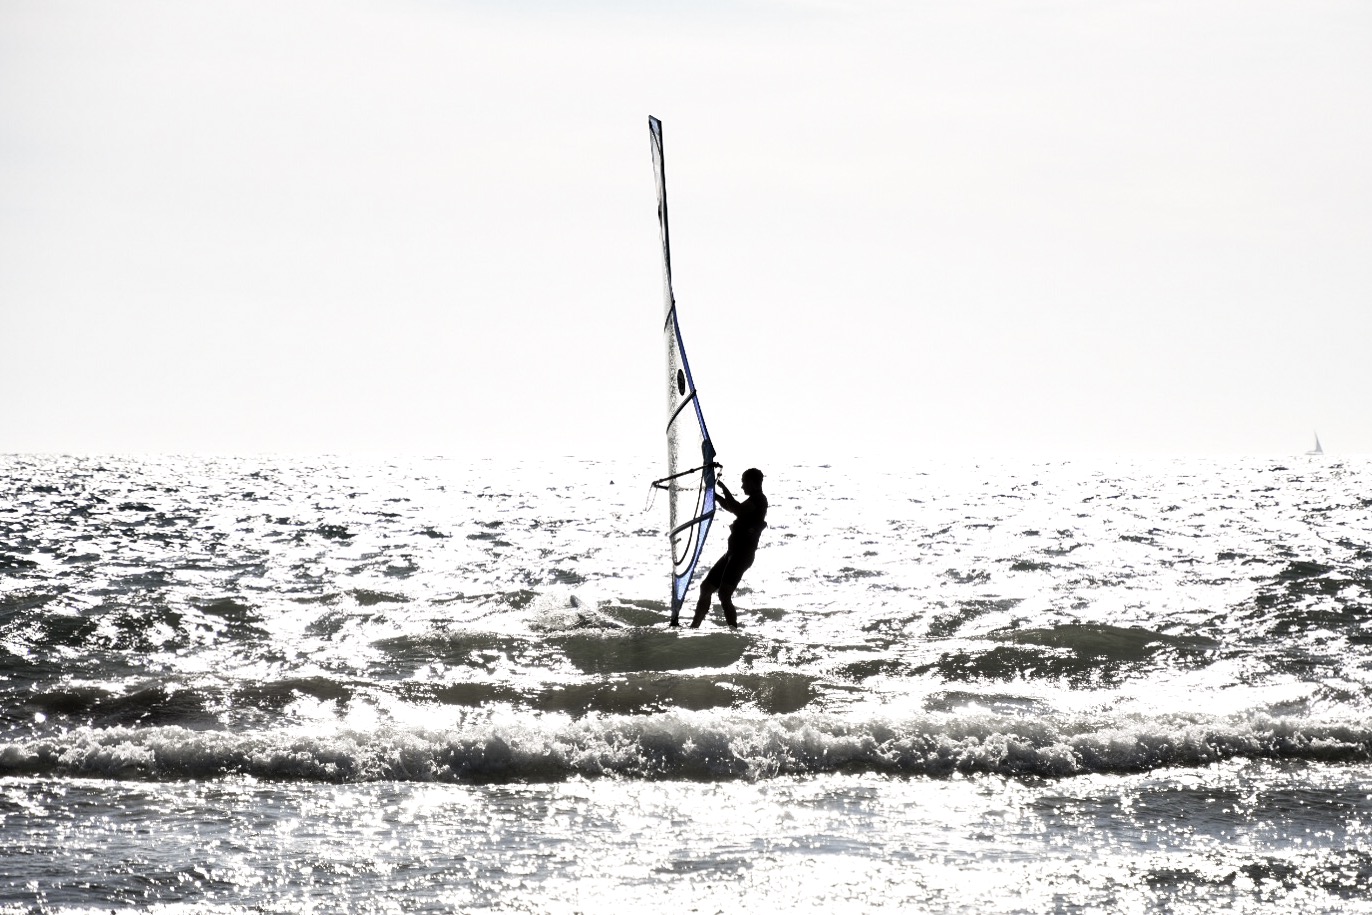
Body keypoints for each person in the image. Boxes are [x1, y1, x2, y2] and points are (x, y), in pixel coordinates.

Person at [690, 467, 767, 629]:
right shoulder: (753, 499)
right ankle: (694, 626)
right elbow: (733, 507)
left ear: (752, 483)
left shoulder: (759, 499)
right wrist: (716, 496)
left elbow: (737, 509)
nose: (742, 487)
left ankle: (734, 631)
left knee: (724, 594)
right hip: (732, 553)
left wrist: (724, 489)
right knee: (706, 588)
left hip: (742, 555)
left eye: (743, 483)